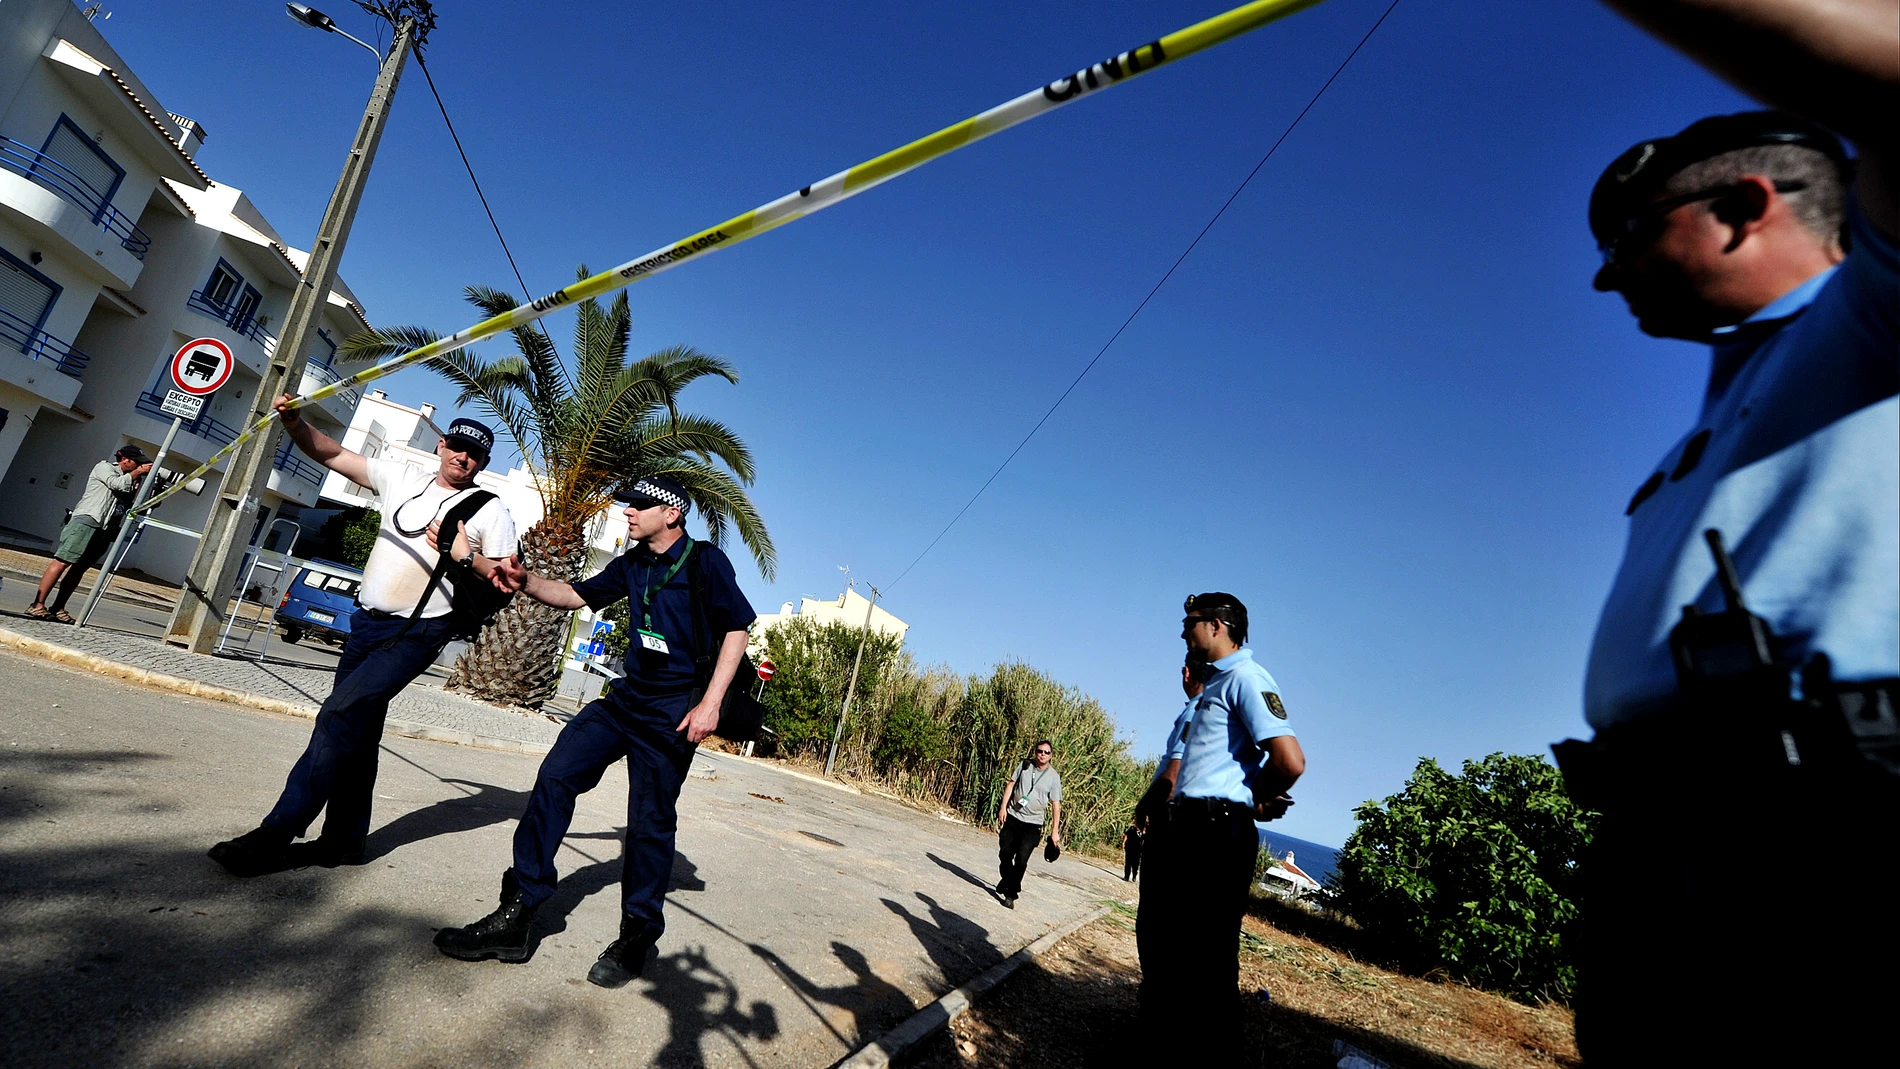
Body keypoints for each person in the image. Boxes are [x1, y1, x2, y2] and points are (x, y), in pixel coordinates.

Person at [1559, 2, 1898, 1062]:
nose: (1606, 277)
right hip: (1666, 856)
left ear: (1743, 206)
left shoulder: (1876, 313)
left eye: (1627, 235)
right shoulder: (1728, 397)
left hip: (1824, 857)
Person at [434, 474, 756, 988]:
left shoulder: (705, 562)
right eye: (627, 505)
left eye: (639, 506)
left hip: (674, 708)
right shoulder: (632, 563)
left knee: (649, 822)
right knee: (557, 775)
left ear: (670, 514)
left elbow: (737, 627)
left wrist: (711, 705)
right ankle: (518, 910)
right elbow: (575, 595)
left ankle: (637, 936)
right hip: (626, 698)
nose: (627, 512)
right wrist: (526, 582)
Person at [208, 398, 516, 876]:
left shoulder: (490, 510)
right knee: (359, 731)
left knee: (338, 714)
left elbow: (505, 580)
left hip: (419, 631)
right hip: (366, 623)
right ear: (441, 445)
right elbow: (332, 454)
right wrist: (294, 422)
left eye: (474, 454)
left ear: (484, 463)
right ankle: (343, 844)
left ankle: (274, 835)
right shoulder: (402, 479)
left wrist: (464, 556)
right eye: (456, 447)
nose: (463, 458)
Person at [1137, 593, 1304, 1062]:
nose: (1184, 632)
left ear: (1216, 625)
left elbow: (1290, 760)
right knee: (1171, 948)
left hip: (1214, 834)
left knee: (1208, 960)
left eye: (1189, 623)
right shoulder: (1216, 686)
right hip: (1189, 829)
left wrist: (1255, 796)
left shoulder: (1248, 678)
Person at [26, 445, 154, 622]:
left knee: (79, 569)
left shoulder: (133, 480)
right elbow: (115, 484)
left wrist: (151, 490)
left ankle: (58, 607)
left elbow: (135, 507)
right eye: (136, 463)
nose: (138, 466)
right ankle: (37, 605)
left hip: (107, 528)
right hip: (87, 520)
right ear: (124, 459)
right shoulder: (105, 467)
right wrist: (136, 474)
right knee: (63, 561)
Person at [993, 739, 1061, 909]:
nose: (1042, 755)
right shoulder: (1025, 766)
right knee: (1005, 853)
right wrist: (1003, 808)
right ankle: (1007, 880)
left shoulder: (1053, 777)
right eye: (1040, 751)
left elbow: (1055, 804)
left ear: (1051, 755)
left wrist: (1055, 831)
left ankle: (1011, 893)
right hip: (1014, 817)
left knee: (1022, 860)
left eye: (1046, 752)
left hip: (1033, 824)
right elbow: (1011, 785)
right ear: (1035, 752)